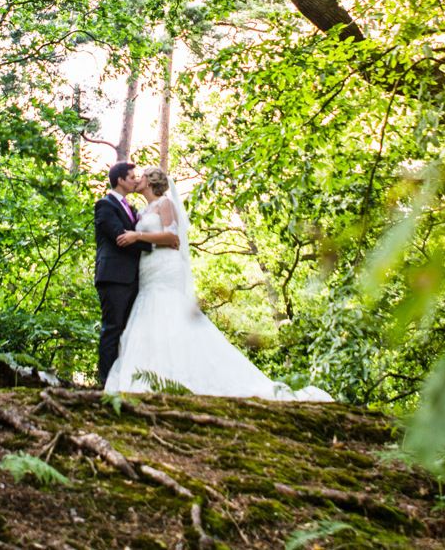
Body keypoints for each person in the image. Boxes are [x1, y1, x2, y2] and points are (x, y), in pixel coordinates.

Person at [104, 165, 331, 401]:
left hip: (166, 267)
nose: (136, 180)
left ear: (150, 182)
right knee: (149, 314)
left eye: (140, 177)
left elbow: (173, 238)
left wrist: (138, 236)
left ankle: (180, 375)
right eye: (134, 177)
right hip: (147, 268)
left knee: (169, 311)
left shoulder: (165, 204)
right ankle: (152, 374)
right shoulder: (141, 211)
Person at [93, 161, 153, 383]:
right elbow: (120, 237)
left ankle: (124, 381)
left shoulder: (131, 208)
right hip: (113, 277)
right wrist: (152, 245)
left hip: (133, 277)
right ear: (120, 180)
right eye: (131, 177)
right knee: (113, 328)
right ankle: (106, 382)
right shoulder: (105, 205)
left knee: (128, 331)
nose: (135, 180)